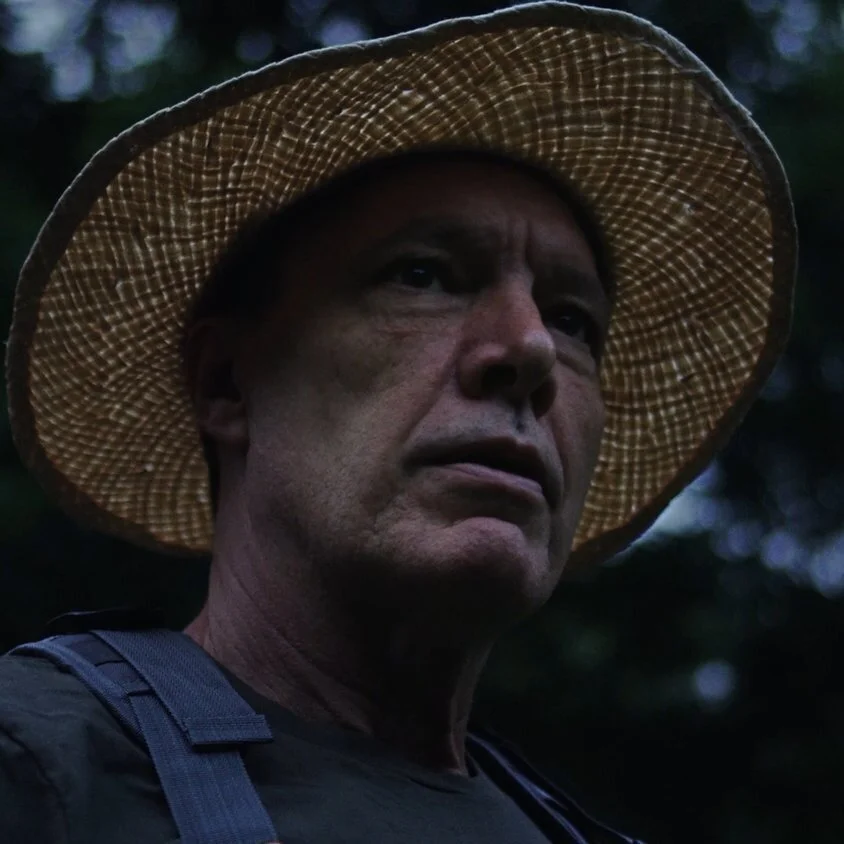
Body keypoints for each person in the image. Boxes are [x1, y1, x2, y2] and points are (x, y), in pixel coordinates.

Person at [0, 3, 795, 843]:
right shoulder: (45, 765)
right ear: (227, 383)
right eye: (423, 275)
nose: (528, 349)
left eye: (573, 322)